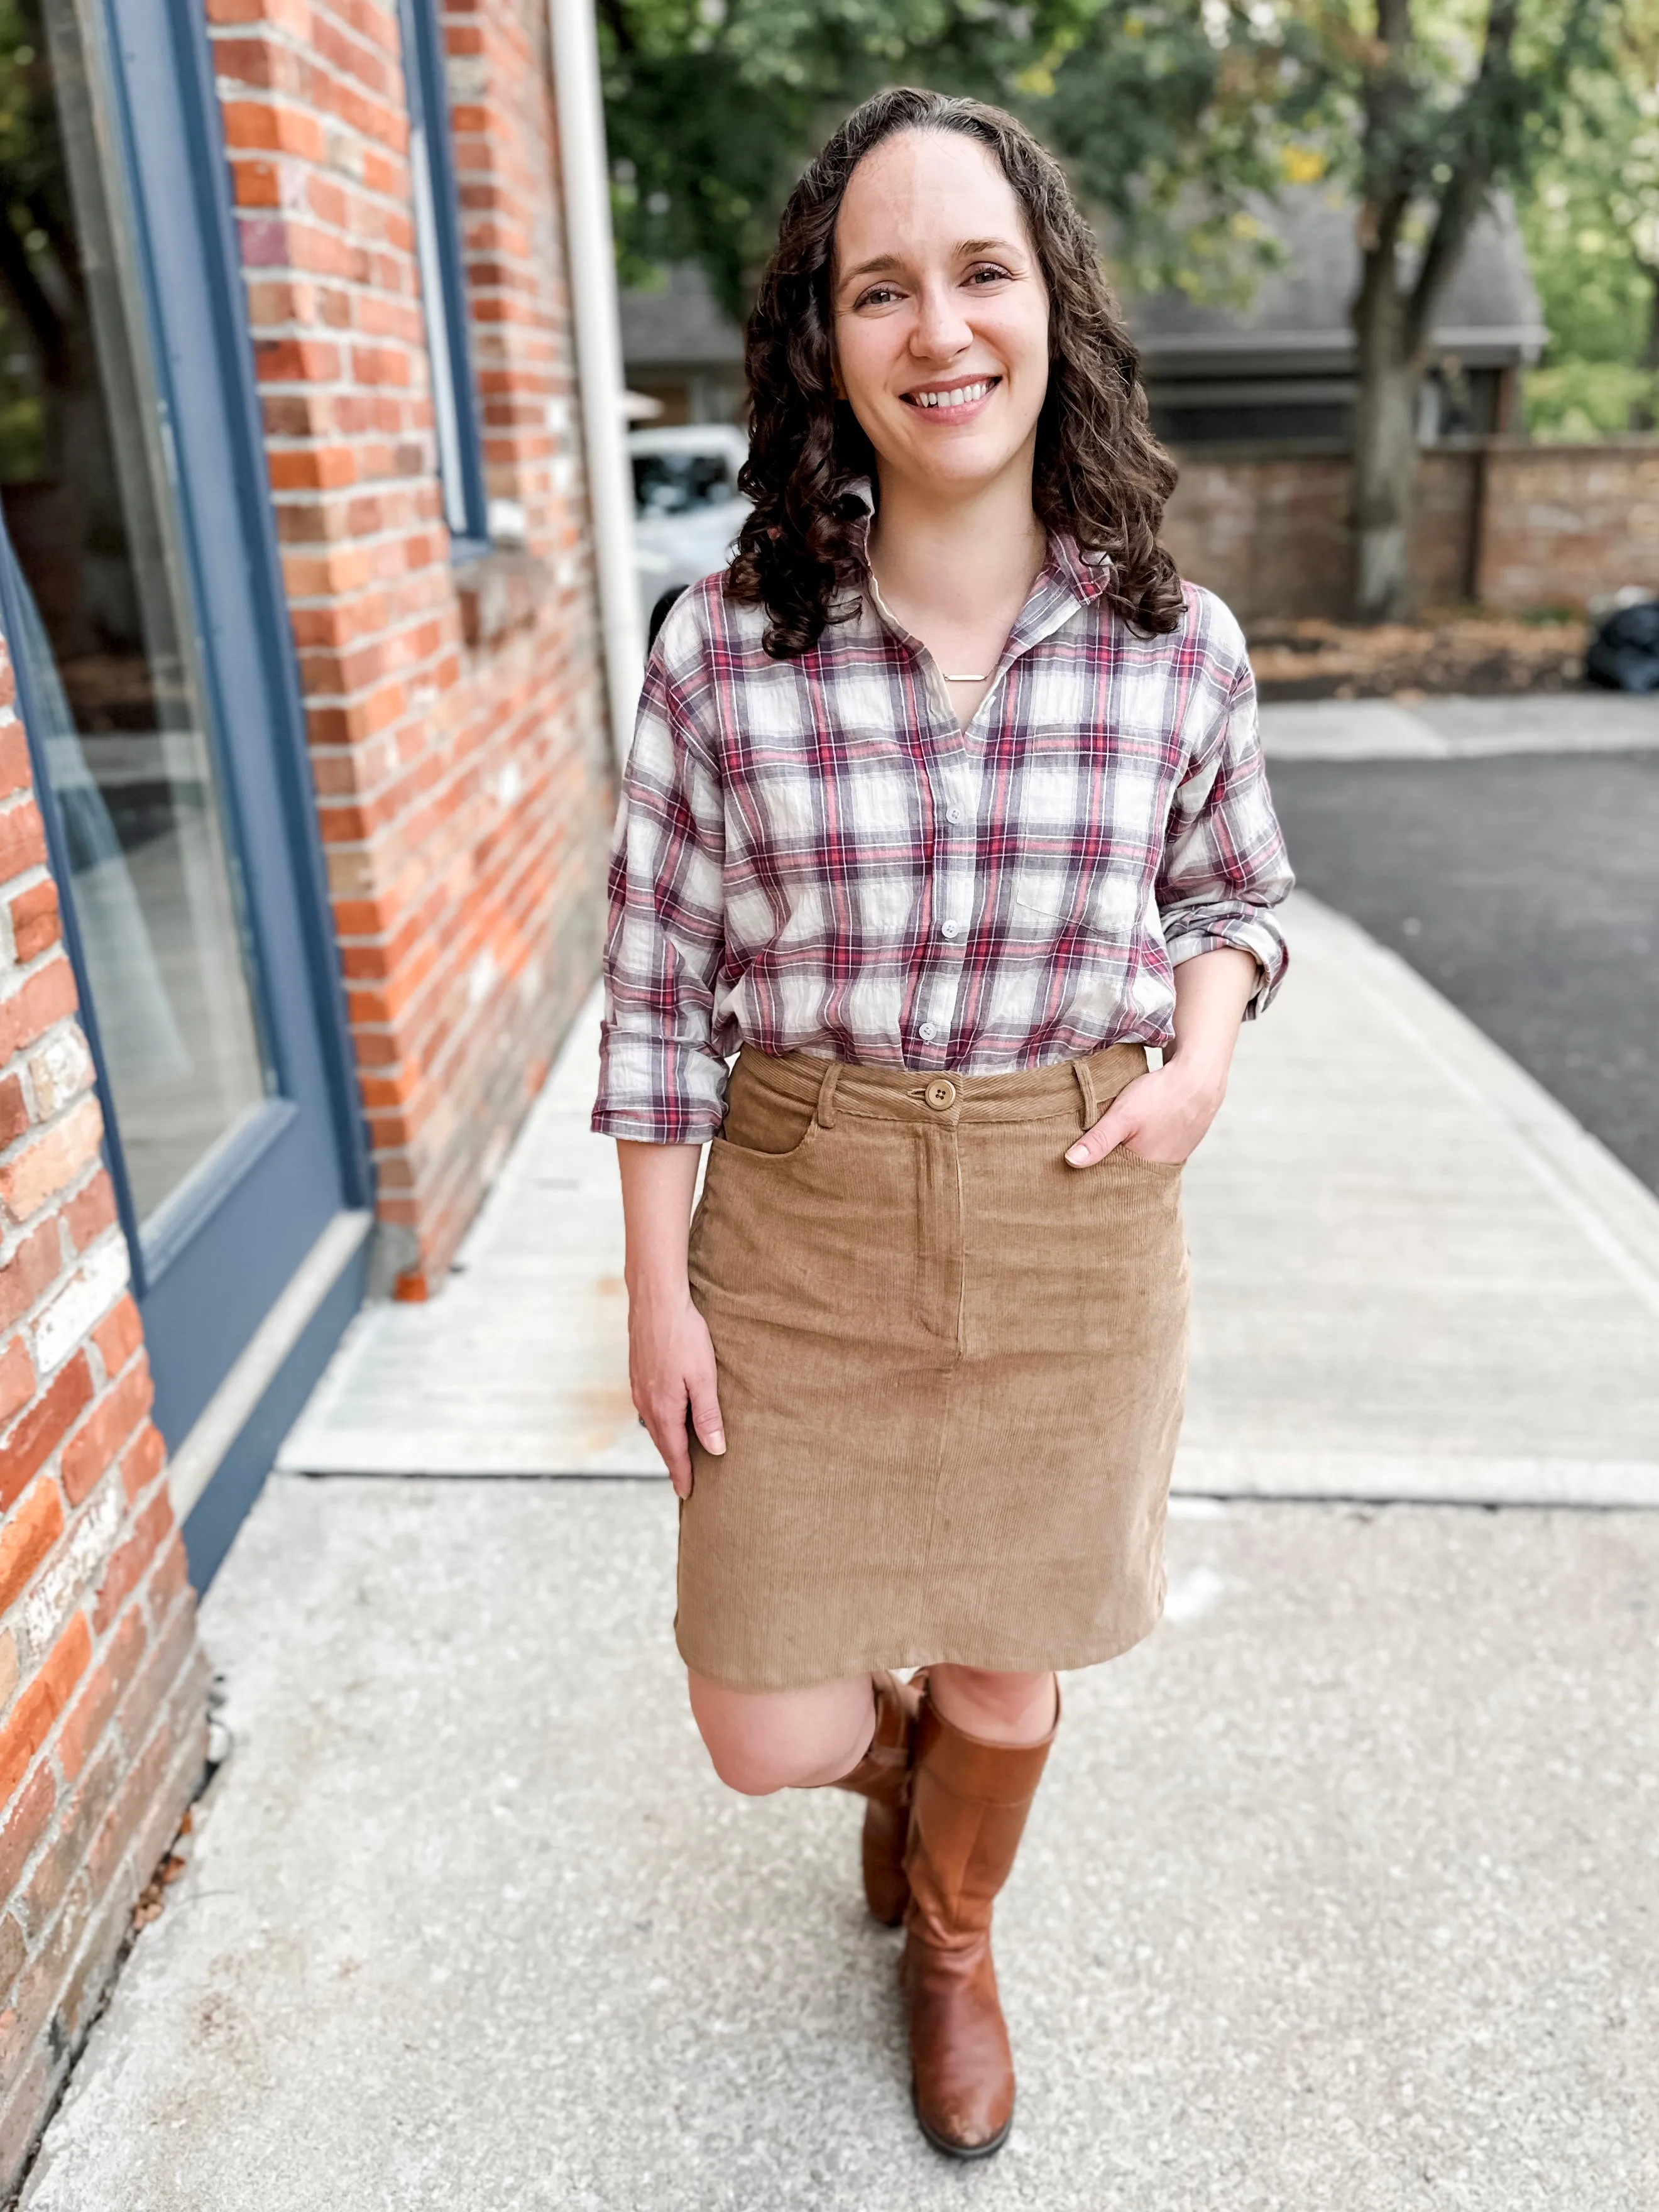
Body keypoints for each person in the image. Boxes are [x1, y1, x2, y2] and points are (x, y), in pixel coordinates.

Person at [592, 87, 1293, 2159]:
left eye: (979, 271)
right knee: (762, 1722)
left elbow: (1234, 890)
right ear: (825, 338)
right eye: (878, 285)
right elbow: (651, 993)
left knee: (1012, 1672)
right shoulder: (721, 654)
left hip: (1072, 1206)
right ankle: (886, 1782)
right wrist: (658, 1295)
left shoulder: (1182, 644)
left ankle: (957, 1940)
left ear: (1051, 305)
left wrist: (1203, 1052)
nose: (939, 326)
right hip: (801, 1213)